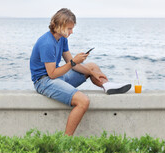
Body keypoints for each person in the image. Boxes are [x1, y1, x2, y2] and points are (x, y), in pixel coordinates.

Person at [30, 8, 131, 136]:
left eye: (72, 28)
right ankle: (66, 142)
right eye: (69, 29)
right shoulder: (47, 43)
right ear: (58, 26)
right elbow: (52, 73)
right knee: (83, 101)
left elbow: (71, 63)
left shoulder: (62, 39)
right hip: (44, 82)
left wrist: (91, 73)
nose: (72, 32)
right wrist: (73, 62)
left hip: (58, 78)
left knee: (92, 66)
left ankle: (107, 85)